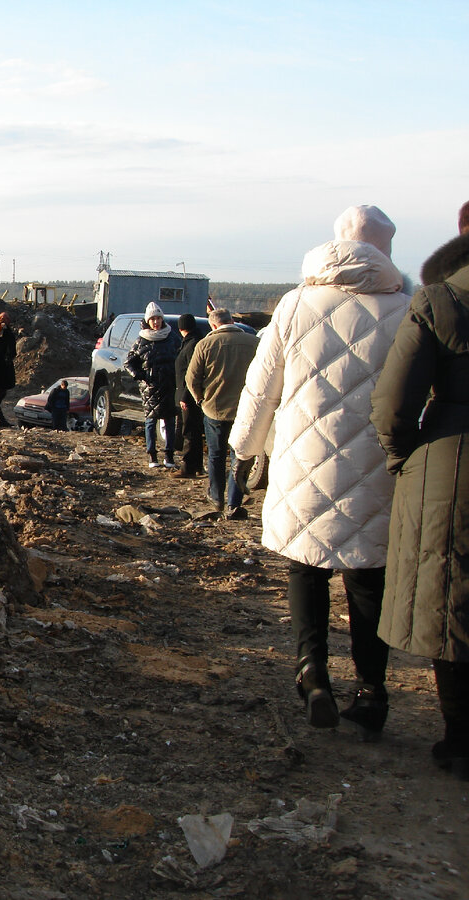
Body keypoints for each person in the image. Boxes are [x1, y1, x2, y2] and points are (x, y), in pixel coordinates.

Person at [230, 205, 411, 736]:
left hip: (303, 464)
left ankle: (312, 675)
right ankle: (372, 691)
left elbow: (262, 386)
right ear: (384, 249)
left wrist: (245, 447)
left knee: (306, 568)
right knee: (368, 580)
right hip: (377, 469)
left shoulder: (294, 304)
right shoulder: (405, 308)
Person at [369, 201, 469, 779]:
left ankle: (459, 737)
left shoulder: (441, 300)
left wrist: (405, 460)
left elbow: (393, 402)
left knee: (453, 595)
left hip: (453, 465)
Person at [186, 308, 259, 516]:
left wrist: (200, 399)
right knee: (240, 455)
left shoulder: (205, 345)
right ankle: (234, 503)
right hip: (246, 409)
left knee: (216, 455)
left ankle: (217, 497)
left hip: (214, 409)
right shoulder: (254, 343)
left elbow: (192, 379)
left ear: (213, 326)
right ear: (232, 321)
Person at [124, 302, 180, 468]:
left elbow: (182, 356)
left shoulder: (172, 337)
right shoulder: (141, 340)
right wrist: (142, 376)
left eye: (158, 318)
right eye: (153, 319)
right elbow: (129, 363)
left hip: (169, 386)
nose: (156, 322)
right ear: (148, 321)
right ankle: (152, 456)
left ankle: (169, 456)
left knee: (170, 422)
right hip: (151, 388)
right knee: (150, 422)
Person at [171, 313, 206, 478]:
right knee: (195, 430)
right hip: (191, 393)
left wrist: (185, 396)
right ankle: (197, 465)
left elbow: (192, 373)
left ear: (181, 328)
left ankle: (187, 467)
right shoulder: (193, 341)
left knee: (189, 431)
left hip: (189, 394)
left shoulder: (192, 344)